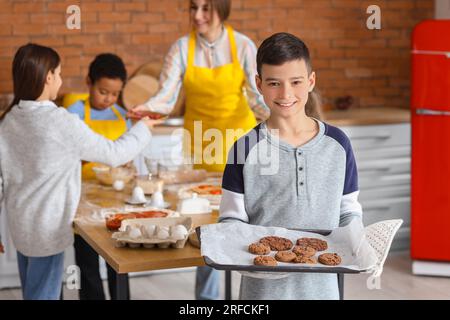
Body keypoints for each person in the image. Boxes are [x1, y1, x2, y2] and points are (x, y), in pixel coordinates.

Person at [0, 43, 162, 300]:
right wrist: (144, 127)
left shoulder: (9, 120)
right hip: (46, 230)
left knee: (33, 290)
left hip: (20, 227)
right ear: (48, 77)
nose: (61, 80)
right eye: (59, 73)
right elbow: (114, 153)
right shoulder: (61, 122)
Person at [131, 0, 269, 300]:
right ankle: (207, 300)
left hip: (240, 145)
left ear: (222, 9)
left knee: (248, 221)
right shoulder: (181, 48)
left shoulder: (244, 46)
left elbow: (257, 98)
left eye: (206, 8)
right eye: (193, 8)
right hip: (200, 148)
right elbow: (166, 96)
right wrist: (147, 110)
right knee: (206, 226)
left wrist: (282, 117)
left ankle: (252, 295)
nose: (197, 16)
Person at [219, 33, 363, 299]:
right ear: (259, 85)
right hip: (262, 290)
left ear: (310, 81)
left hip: (324, 291)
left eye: (295, 82)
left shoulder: (338, 144)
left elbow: (348, 210)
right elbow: (231, 218)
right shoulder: (244, 148)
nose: (286, 94)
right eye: (274, 83)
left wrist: (359, 242)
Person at [67, 53, 132, 300]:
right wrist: (94, 157)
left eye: (115, 94)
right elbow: (67, 158)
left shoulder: (122, 114)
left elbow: (128, 156)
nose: (109, 99)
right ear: (89, 82)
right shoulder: (72, 114)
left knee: (119, 262)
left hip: (116, 200)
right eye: (103, 91)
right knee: (87, 265)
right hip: (82, 202)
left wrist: (127, 164)